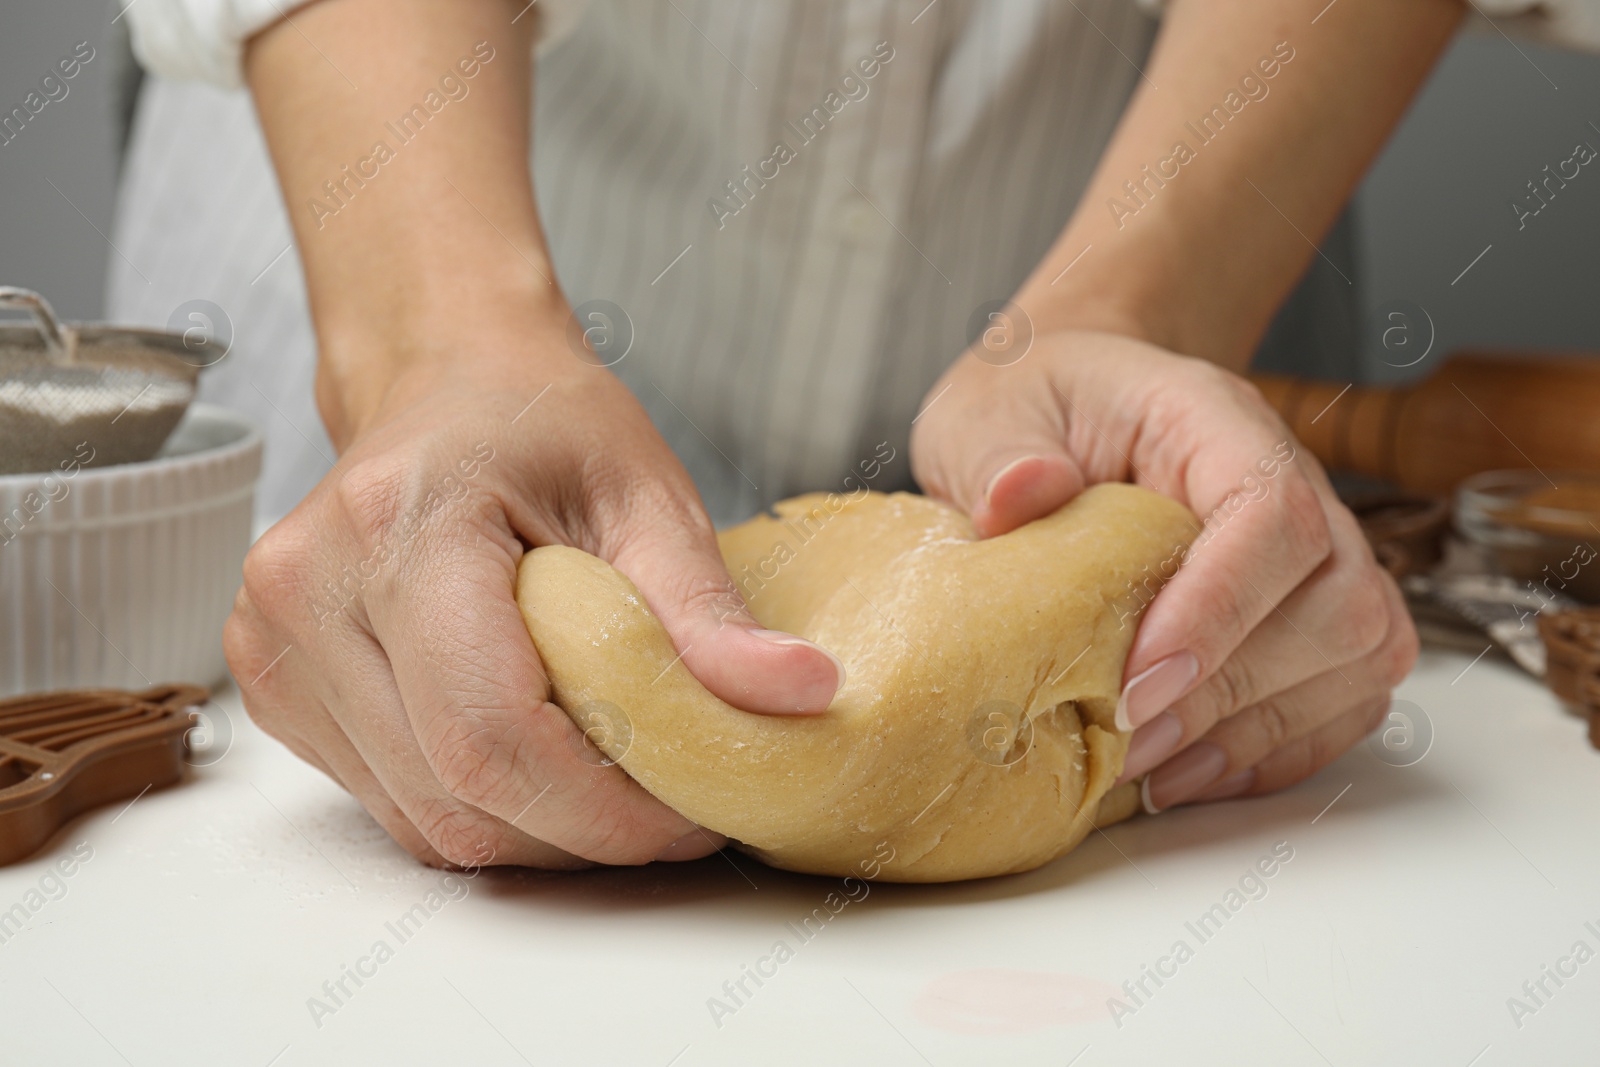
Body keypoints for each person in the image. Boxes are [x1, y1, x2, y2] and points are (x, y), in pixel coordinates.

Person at [111, 0, 1597, 869]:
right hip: (404, 230)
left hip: (1134, 324)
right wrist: (435, 339)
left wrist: (1139, 302)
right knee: (429, 689)